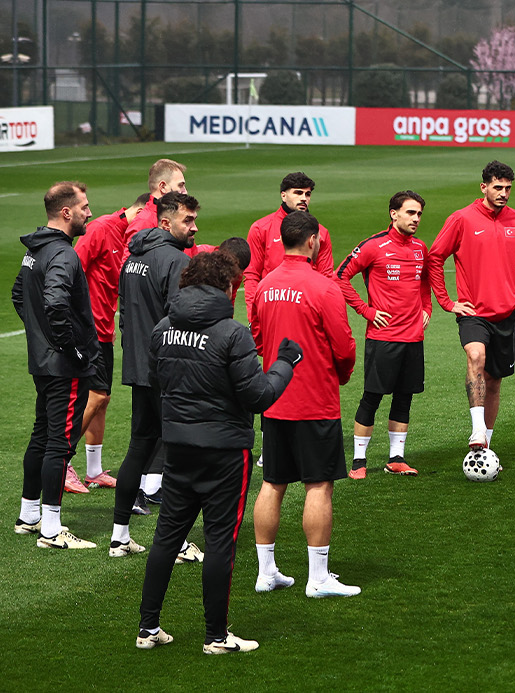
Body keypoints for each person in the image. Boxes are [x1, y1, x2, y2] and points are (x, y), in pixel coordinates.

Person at [136, 250, 301, 654]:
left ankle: (147, 628)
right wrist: (284, 363)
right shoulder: (232, 332)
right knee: (220, 542)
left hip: (177, 446)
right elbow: (259, 395)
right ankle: (216, 636)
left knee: (166, 539)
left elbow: (159, 380)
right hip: (225, 451)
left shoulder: (163, 327)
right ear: (228, 286)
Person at [250, 211, 359, 598]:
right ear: (313, 241)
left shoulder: (264, 285)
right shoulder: (323, 287)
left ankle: (266, 572)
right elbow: (344, 346)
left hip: (274, 398)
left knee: (272, 483)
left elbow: (259, 339)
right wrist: (339, 376)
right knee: (319, 485)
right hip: (315, 400)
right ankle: (317, 578)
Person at [111, 191, 204, 561]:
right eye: (188, 221)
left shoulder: (133, 257)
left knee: (140, 446)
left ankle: (119, 537)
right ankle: (177, 543)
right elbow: (178, 319)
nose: (194, 227)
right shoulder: (176, 261)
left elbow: (125, 315)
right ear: (166, 222)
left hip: (138, 366)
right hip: (166, 372)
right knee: (178, 456)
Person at [11, 181, 99, 549]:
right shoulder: (63, 254)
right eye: (84, 207)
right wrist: (72, 349)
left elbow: (19, 295)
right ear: (66, 212)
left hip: (42, 361)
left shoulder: (36, 249)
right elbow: (55, 304)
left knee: (41, 434)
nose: (89, 213)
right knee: (58, 444)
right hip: (63, 365)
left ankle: (28, 515)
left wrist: (39, 336)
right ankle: (51, 529)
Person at [430, 160, 515, 452]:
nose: (503, 193)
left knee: (495, 380)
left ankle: (485, 445)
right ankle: (476, 430)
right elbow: (435, 257)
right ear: (484, 187)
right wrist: (447, 301)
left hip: (509, 312)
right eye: (497, 187)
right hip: (473, 311)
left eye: (508, 188)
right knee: (476, 356)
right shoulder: (462, 219)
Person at [336, 191, 433, 478]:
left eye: (418, 214)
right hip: (383, 337)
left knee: (405, 398)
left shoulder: (420, 248)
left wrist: (426, 307)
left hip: (413, 337)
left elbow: (425, 280)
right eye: (410, 213)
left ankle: (396, 458)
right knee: (372, 397)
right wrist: (366, 311)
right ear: (393, 213)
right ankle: (358, 462)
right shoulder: (373, 246)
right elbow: (340, 276)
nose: (416, 219)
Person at [70, 192, 150, 492]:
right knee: (96, 397)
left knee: (102, 402)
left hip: (104, 330)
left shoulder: (128, 237)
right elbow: (72, 270)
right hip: (87, 330)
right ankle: (63, 461)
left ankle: (93, 470)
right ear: (141, 211)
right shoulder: (102, 229)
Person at [244, 172, 336, 346]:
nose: (304, 198)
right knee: (274, 365)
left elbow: (326, 278)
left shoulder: (321, 233)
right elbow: (251, 275)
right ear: (283, 195)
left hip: (307, 311)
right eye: (298, 193)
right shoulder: (261, 228)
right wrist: (253, 316)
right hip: (273, 309)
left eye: (307, 194)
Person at [125, 159, 187, 241]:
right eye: (180, 185)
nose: (185, 192)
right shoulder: (143, 223)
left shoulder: (179, 218)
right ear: (163, 187)